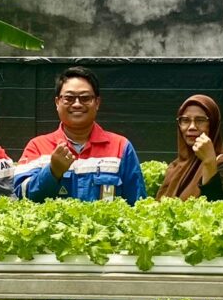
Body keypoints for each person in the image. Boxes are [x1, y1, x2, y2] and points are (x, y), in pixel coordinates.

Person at [14, 66, 146, 204]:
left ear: (97, 103)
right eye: (69, 98)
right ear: (57, 102)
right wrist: (52, 171)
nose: (77, 104)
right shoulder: (37, 146)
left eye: (85, 98)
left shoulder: (121, 147)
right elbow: (21, 195)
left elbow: (137, 204)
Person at [156, 94, 223, 201]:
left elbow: (217, 204)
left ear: (213, 124)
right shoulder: (175, 166)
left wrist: (209, 162)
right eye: (185, 120)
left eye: (200, 120)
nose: (192, 127)